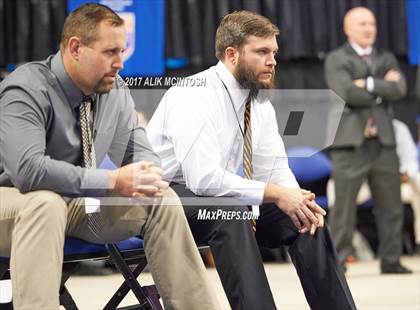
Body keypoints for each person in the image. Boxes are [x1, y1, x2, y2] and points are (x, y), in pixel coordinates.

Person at [0, 3, 219, 309]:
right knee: (44, 203)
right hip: (12, 198)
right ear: (76, 48)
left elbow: (142, 155)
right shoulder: (26, 88)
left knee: (160, 198)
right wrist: (113, 180)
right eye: (110, 52)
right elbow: (28, 172)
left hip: (73, 205)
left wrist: (147, 177)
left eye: (122, 51)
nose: (120, 63)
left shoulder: (113, 90)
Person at [147, 10, 356, 310]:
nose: (272, 60)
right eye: (261, 52)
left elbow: (273, 168)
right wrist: (275, 193)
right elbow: (203, 179)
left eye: (274, 52)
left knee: (307, 218)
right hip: (164, 198)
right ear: (231, 54)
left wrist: (296, 199)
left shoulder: (257, 101)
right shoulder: (194, 96)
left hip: (212, 195)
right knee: (230, 214)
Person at [324, 7, 411, 273]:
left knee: (391, 206)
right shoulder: (336, 59)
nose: (369, 28)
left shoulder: (386, 58)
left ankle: (391, 260)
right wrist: (381, 88)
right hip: (350, 143)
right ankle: (337, 261)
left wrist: (367, 85)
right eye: (362, 23)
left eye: (372, 23)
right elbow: (347, 92)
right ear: (348, 28)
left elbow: (400, 89)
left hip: (383, 142)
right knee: (344, 207)